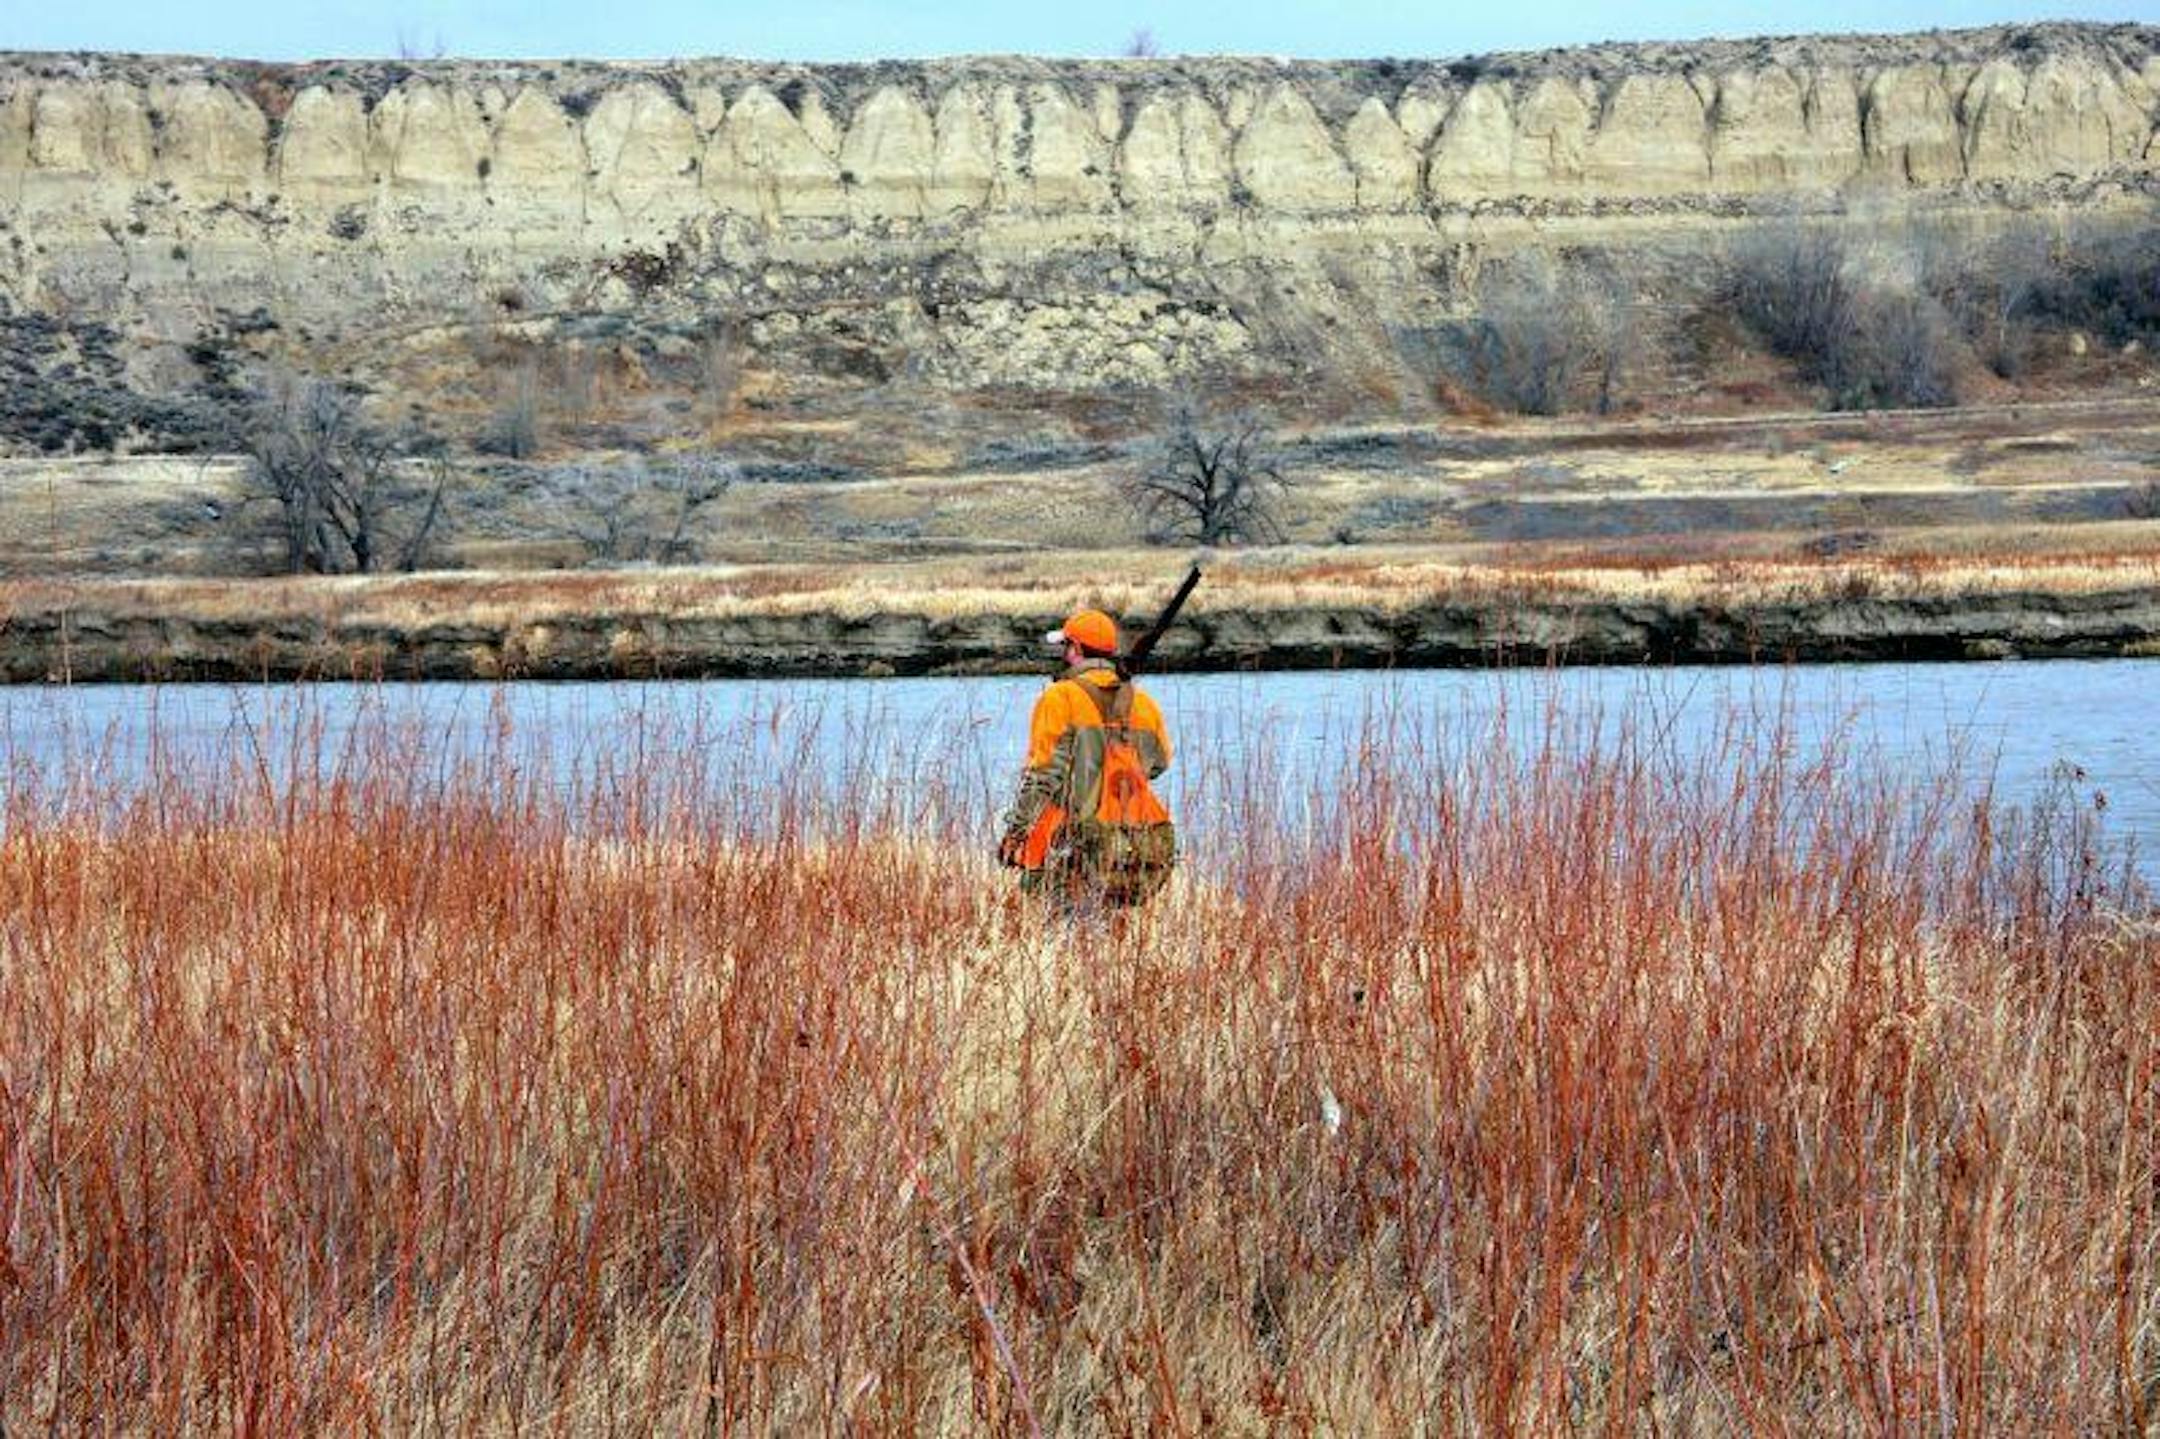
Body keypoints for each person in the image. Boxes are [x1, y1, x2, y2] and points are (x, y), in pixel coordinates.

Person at [998, 608, 1176, 907]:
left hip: (1069, 844)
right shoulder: (1142, 702)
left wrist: (1015, 833)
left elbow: (1042, 776)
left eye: (1065, 646)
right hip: (1138, 844)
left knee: (1062, 932)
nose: (1064, 653)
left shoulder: (1059, 697)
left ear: (1076, 649)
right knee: (1111, 932)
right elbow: (1159, 763)